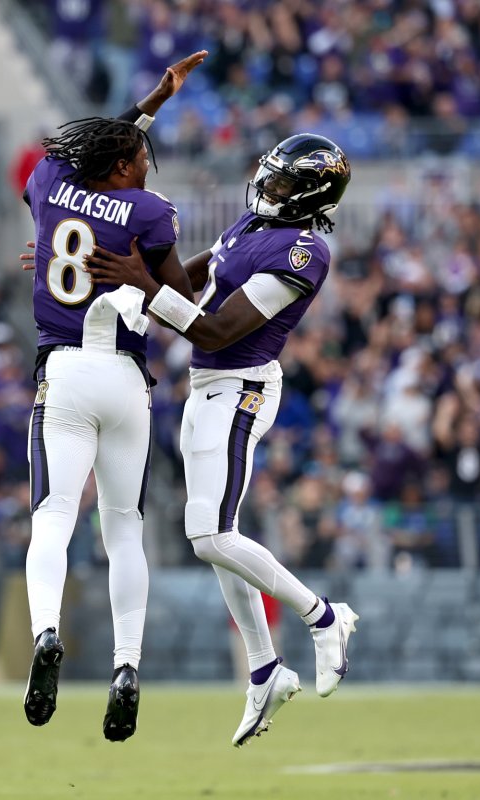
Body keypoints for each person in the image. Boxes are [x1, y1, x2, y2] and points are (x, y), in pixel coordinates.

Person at [82, 133, 360, 747]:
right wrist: (127, 280)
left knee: (209, 534)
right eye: (270, 174)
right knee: (214, 536)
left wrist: (146, 287)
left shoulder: (303, 251)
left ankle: (324, 617)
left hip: (242, 386)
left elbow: (214, 329)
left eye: (283, 182)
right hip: (207, 387)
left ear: (311, 195)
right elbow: (189, 280)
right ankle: (264, 670)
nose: (268, 186)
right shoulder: (253, 224)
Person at [19, 50, 207, 742]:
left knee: (52, 517)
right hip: (126, 380)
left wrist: (147, 105)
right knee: (124, 530)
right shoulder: (149, 211)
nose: (149, 164)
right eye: (142, 156)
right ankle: (127, 666)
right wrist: (155, 280)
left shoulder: (49, 183)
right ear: (123, 164)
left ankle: (47, 632)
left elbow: (76, 157)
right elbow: (181, 305)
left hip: (65, 372)